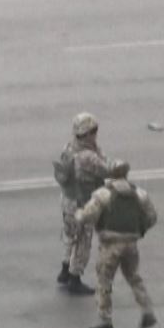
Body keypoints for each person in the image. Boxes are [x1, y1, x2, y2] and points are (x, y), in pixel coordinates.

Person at [78, 159, 158, 328]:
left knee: (104, 281)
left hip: (110, 245)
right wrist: (139, 229)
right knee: (134, 278)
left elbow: (88, 216)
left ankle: (105, 321)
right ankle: (147, 311)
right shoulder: (139, 194)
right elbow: (151, 218)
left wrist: (78, 215)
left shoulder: (103, 194)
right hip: (131, 244)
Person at [55, 112, 107, 295]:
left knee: (70, 237)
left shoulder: (69, 148)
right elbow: (105, 169)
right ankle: (74, 278)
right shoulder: (88, 156)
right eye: (93, 131)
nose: (96, 134)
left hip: (67, 200)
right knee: (83, 241)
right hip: (81, 204)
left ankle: (64, 270)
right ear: (87, 133)